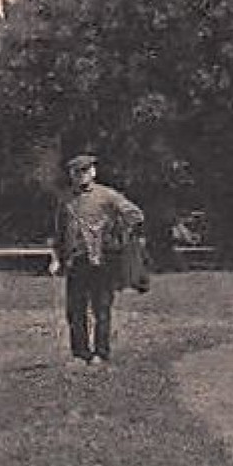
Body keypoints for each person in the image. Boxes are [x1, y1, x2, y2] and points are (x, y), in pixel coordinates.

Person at [49, 153, 145, 366]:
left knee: (102, 308)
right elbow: (59, 233)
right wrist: (56, 258)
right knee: (75, 310)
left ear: (93, 172)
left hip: (103, 260)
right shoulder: (65, 200)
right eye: (77, 172)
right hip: (76, 261)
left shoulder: (107, 195)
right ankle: (80, 353)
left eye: (85, 171)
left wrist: (116, 232)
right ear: (71, 175)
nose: (81, 176)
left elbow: (135, 215)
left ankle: (101, 353)